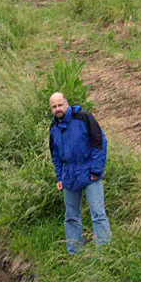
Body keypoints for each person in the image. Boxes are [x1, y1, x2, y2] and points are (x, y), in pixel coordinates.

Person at [48, 92, 111, 254]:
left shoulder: (84, 118)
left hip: (89, 173)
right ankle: (74, 251)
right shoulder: (53, 128)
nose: (58, 109)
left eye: (60, 105)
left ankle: (105, 252)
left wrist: (96, 170)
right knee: (71, 217)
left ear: (67, 104)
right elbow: (55, 154)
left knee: (98, 213)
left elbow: (100, 142)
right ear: (51, 109)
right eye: (54, 106)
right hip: (68, 176)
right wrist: (59, 176)